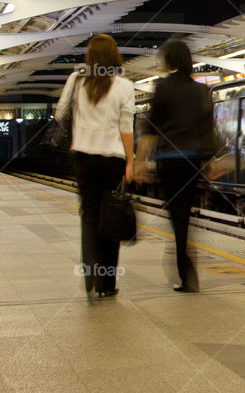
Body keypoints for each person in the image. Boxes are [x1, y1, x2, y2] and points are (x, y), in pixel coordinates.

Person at [55, 34, 135, 298]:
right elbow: (126, 127)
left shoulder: (76, 80)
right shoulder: (124, 85)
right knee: (109, 217)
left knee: (88, 215)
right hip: (112, 159)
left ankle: (90, 270)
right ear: (114, 56)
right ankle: (107, 284)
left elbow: (59, 115)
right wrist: (130, 162)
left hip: (84, 157)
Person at [136, 40, 215, 292]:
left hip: (169, 161)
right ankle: (186, 269)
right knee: (185, 215)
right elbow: (208, 129)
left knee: (178, 217)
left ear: (170, 60)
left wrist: (139, 162)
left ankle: (186, 274)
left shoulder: (163, 88)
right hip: (192, 161)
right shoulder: (201, 91)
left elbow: (150, 129)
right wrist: (213, 160)